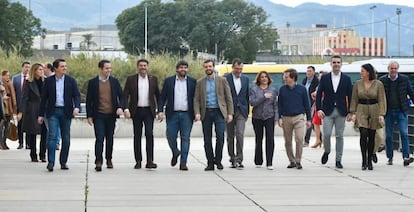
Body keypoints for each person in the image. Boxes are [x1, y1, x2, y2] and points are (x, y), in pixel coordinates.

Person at [38, 58, 81, 172]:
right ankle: (51, 162)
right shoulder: (48, 81)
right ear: (56, 68)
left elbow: (76, 95)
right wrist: (41, 115)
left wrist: (77, 107)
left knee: (66, 138)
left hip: (66, 112)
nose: (65, 68)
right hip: (53, 112)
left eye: (65, 66)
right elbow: (44, 99)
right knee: (52, 136)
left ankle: (63, 162)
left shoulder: (71, 81)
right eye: (62, 66)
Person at [194, 59, 233, 171]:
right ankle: (210, 162)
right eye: (206, 67)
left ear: (213, 67)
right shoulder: (200, 82)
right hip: (206, 113)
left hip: (219, 112)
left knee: (220, 137)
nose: (208, 68)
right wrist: (197, 112)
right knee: (207, 139)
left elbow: (228, 97)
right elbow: (196, 99)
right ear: (204, 68)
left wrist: (230, 113)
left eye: (210, 66)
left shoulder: (222, 80)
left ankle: (218, 160)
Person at [86, 60, 125, 172]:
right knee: (99, 138)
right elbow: (89, 100)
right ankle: (98, 161)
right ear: (100, 69)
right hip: (98, 115)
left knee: (110, 138)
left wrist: (120, 107)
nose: (109, 70)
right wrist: (89, 115)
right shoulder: (93, 82)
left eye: (110, 68)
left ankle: (109, 159)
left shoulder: (114, 82)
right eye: (107, 68)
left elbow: (121, 97)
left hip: (111, 115)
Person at [157, 60, 196, 171]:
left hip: (187, 115)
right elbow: (162, 98)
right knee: (170, 136)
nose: (183, 69)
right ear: (177, 69)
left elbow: (196, 99)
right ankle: (175, 152)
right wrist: (160, 111)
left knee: (185, 138)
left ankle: (183, 163)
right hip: (172, 114)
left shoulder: (193, 82)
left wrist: (197, 112)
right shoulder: (169, 81)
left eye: (185, 67)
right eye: (181, 67)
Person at [316, 55, 353, 169]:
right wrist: (319, 109)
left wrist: (351, 112)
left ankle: (338, 159)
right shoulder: (325, 78)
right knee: (326, 134)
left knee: (339, 136)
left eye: (338, 62)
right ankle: (327, 151)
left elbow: (350, 96)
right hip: (327, 110)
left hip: (341, 111)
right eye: (334, 62)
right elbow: (318, 94)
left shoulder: (346, 79)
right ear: (331, 64)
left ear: (341, 64)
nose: (336, 64)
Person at [124, 59, 160, 169]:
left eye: (145, 65)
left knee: (149, 134)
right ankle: (138, 160)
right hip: (136, 111)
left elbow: (158, 95)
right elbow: (125, 95)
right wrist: (126, 109)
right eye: (141, 66)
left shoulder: (153, 79)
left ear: (147, 67)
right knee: (137, 136)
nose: (143, 67)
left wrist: (160, 111)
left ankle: (150, 160)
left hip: (149, 111)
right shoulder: (131, 79)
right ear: (137, 67)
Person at [350, 63, 386, 170]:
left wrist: (381, 114)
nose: (361, 73)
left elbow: (382, 99)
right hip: (361, 109)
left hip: (374, 109)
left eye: (362, 71)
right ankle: (363, 160)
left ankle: (370, 159)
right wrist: (353, 113)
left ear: (368, 72)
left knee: (372, 136)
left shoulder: (378, 84)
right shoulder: (357, 84)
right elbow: (354, 99)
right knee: (363, 133)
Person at [379, 61, 414, 166]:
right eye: (391, 68)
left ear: (398, 69)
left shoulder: (404, 79)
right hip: (388, 111)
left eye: (395, 68)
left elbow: (411, 92)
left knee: (403, 133)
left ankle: (406, 156)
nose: (393, 70)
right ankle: (390, 157)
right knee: (389, 136)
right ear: (388, 69)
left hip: (401, 110)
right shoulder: (382, 80)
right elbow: (379, 96)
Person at [278, 68, 312, 170]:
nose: (284, 78)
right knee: (288, 141)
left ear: (293, 77)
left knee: (299, 138)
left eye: (286, 76)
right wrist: (279, 117)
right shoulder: (282, 89)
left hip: (299, 117)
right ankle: (291, 160)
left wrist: (309, 119)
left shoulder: (302, 89)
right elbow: (279, 104)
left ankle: (298, 160)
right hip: (286, 118)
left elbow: (307, 104)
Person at [223, 58, 249, 169]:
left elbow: (246, 95)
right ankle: (232, 158)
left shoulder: (245, 79)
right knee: (230, 136)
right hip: (229, 110)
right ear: (232, 67)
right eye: (237, 69)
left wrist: (246, 111)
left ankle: (239, 159)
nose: (239, 71)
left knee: (240, 134)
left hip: (241, 111)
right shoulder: (225, 78)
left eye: (241, 69)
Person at [250, 71, 278, 170]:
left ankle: (269, 162)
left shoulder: (273, 90)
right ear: (259, 79)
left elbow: (275, 105)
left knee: (270, 139)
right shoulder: (254, 90)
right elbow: (252, 103)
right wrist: (263, 97)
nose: (264, 78)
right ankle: (258, 160)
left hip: (269, 116)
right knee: (259, 139)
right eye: (262, 77)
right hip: (257, 117)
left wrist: (276, 118)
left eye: (266, 77)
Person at [17, 63, 44, 162]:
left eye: (42, 69)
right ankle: (33, 154)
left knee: (44, 132)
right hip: (32, 109)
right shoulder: (29, 83)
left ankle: (43, 154)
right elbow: (24, 98)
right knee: (33, 133)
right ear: (35, 71)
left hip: (43, 109)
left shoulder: (45, 82)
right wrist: (21, 112)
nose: (41, 71)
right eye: (39, 69)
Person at [12, 61, 30, 149]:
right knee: (20, 124)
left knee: (29, 125)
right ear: (22, 67)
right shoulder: (15, 78)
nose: (27, 69)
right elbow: (13, 92)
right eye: (26, 67)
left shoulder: (31, 79)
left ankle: (28, 143)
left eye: (29, 67)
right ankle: (21, 142)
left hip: (29, 106)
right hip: (19, 104)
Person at [43, 63, 61, 151]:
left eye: (44, 68)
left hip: (56, 108)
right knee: (50, 127)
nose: (42, 70)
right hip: (47, 108)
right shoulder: (46, 80)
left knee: (55, 127)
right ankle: (51, 143)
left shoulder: (54, 80)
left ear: (49, 69)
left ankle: (56, 142)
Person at [302, 66, 319, 147]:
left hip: (313, 104)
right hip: (304, 104)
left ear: (314, 72)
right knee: (312, 123)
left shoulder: (317, 81)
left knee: (310, 122)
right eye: (307, 71)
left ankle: (306, 141)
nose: (308, 73)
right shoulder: (304, 80)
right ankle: (320, 139)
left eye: (310, 71)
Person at [0, 70, 16, 150]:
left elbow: (12, 96)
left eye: (9, 76)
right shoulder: (1, 84)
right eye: (6, 75)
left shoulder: (10, 83)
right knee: (1, 127)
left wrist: (14, 107)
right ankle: (1, 143)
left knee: (7, 127)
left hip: (9, 109)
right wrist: (3, 98)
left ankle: (4, 142)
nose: (8, 77)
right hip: (2, 108)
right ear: (2, 76)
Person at [310, 70, 327, 148]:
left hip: (325, 106)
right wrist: (314, 94)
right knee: (315, 122)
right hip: (318, 105)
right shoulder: (319, 85)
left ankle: (324, 141)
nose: (319, 78)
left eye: (321, 76)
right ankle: (318, 140)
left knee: (326, 124)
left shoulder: (328, 84)